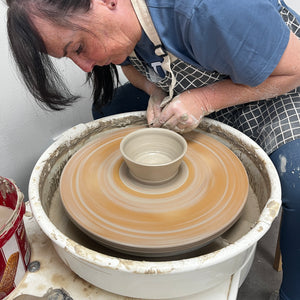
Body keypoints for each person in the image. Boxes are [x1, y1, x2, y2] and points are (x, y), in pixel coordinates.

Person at [5, 0, 300, 299]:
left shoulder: (210, 9)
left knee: (297, 184)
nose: (85, 66)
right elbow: (130, 66)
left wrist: (204, 102)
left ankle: (293, 292)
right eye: (69, 57)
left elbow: (294, 68)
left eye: (78, 47)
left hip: (277, 86)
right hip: (205, 85)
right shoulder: (124, 21)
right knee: (107, 107)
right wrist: (153, 90)